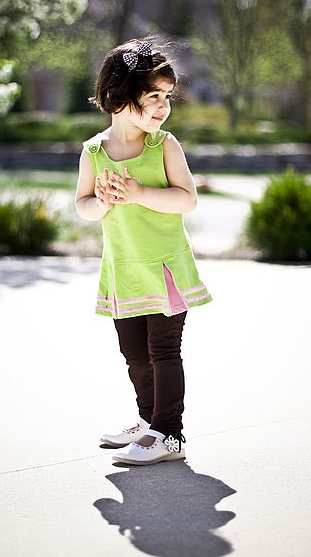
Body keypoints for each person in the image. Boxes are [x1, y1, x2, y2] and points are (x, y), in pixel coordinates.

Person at [74, 37, 212, 466]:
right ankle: (148, 421)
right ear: (118, 94)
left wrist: (137, 192)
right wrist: (106, 202)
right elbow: (83, 206)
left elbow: (186, 199)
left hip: (164, 267)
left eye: (167, 97)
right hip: (123, 270)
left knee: (163, 352)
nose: (163, 106)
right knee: (134, 355)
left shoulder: (163, 145)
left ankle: (169, 434)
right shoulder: (95, 152)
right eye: (153, 96)